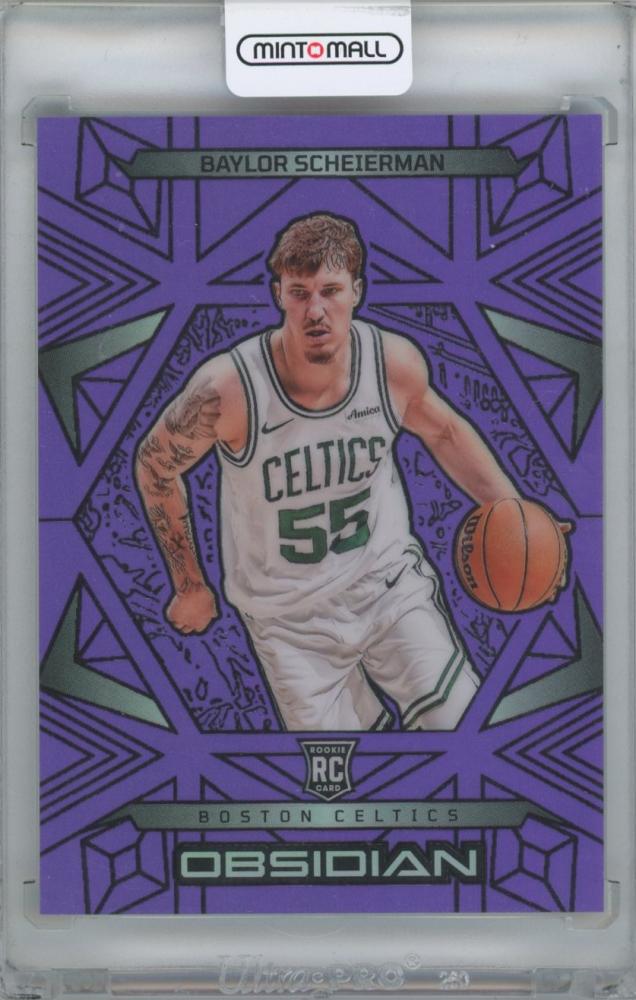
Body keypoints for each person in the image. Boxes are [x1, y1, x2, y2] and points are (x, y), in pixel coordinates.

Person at [135, 213, 541, 731]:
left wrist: (517, 517)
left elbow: (444, 432)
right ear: (278, 295)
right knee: (342, 775)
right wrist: (190, 583)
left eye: (330, 290)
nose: (315, 310)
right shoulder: (229, 389)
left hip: (386, 586)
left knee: (463, 729)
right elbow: (155, 465)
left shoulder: (391, 365)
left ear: (357, 292)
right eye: (299, 293)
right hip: (287, 621)